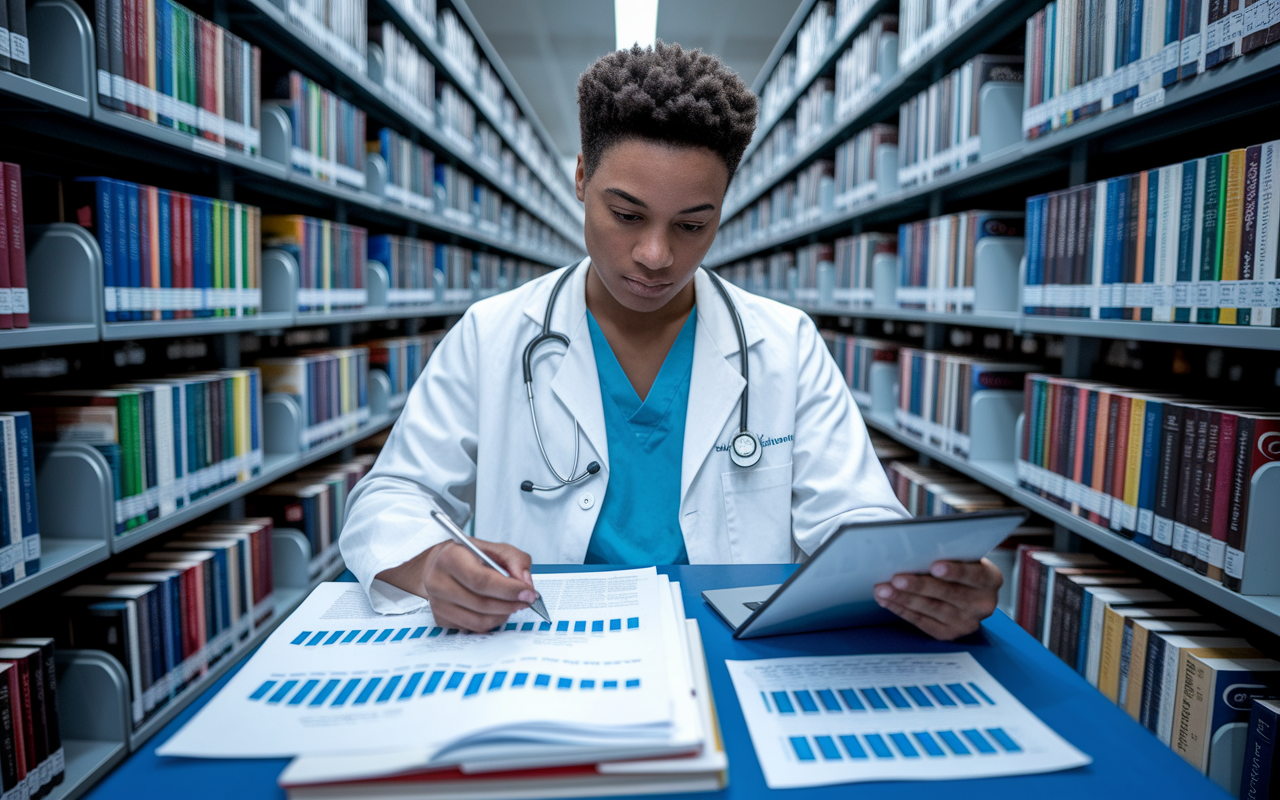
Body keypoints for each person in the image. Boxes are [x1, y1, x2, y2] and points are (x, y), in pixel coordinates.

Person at [340, 42, 1002, 641]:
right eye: (626, 215)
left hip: (725, 653)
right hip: (539, 649)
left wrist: (925, 581)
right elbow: (390, 499)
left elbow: (855, 516)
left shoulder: (785, 344)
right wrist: (433, 564)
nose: (655, 255)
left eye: (691, 224)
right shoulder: (493, 335)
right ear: (580, 179)